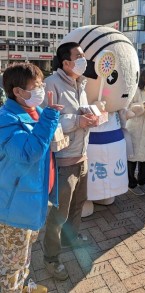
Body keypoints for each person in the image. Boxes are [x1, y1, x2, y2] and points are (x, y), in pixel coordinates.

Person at [0, 63, 62, 292]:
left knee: (24, 255)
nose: (41, 89)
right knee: (11, 264)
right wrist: (50, 118)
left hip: (32, 201)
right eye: (36, 86)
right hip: (15, 208)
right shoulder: (5, 119)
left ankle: (23, 286)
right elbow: (27, 153)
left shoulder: (33, 112)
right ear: (17, 91)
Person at [42, 42, 98, 280]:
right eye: (79, 56)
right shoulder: (50, 85)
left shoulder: (80, 84)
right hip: (63, 160)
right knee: (58, 215)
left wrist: (92, 115)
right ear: (66, 62)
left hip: (82, 155)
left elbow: (78, 112)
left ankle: (70, 238)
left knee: (78, 204)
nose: (84, 60)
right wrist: (78, 121)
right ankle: (51, 258)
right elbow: (47, 122)